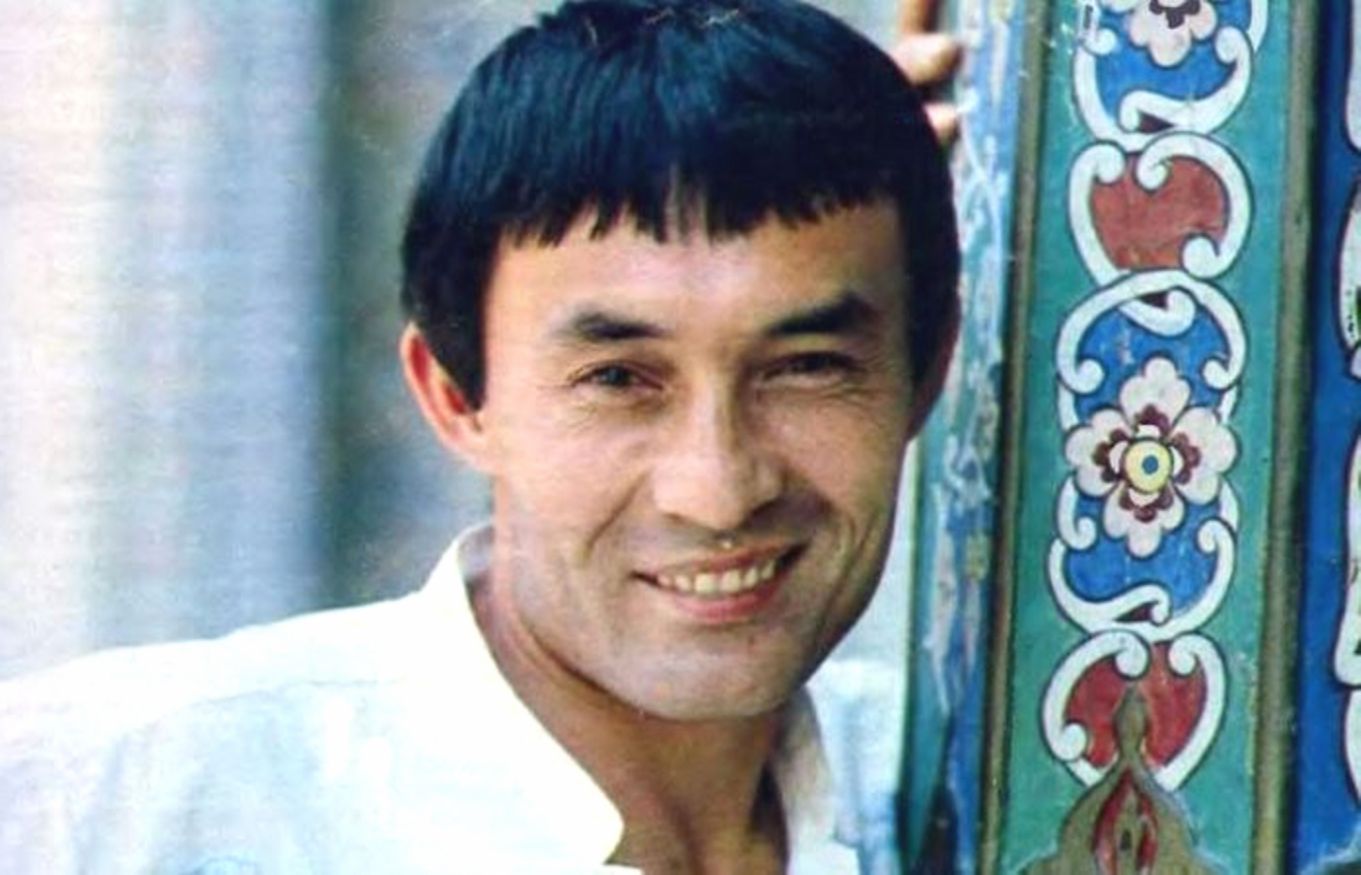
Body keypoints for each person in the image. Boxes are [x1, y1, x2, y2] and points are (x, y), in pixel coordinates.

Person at [0, 1, 960, 872]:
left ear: (924, 372)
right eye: (617, 380)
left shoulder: (964, 786)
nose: (718, 489)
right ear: (456, 395)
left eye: (806, 366)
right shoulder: (119, 800)